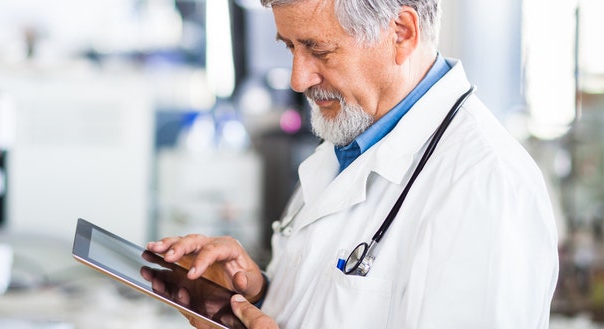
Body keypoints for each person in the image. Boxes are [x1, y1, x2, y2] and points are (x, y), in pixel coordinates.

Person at [147, 0, 559, 327]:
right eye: (290, 47)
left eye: (318, 49)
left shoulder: (487, 185)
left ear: (402, 33)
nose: (298, 78)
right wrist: (255, 295)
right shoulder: (344, 144)